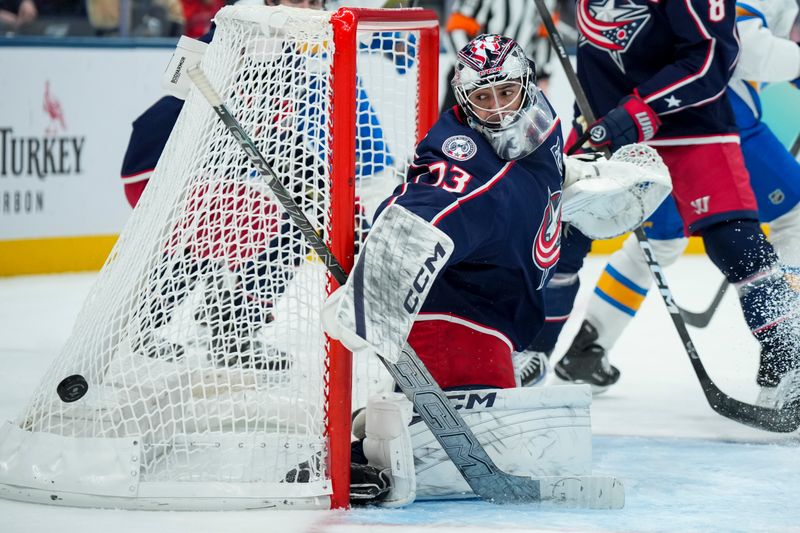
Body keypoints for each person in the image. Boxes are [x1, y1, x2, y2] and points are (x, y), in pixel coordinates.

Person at [322, 34, 670, 505]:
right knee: (478, 454)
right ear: (465, 101)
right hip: (456, 319)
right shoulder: (463, 157)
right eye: (482, 99)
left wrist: (581, 179)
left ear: (526, 84)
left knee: (479, 442)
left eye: (506, 92)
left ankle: (371, 435)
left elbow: (536, 175)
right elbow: (417, 213)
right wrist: (377, 290)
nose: (499, 109)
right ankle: (355, 459)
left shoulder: (539, 119)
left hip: (494, 311)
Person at [518, 0, 800, 410]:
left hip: (694, 124)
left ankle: (788, 358)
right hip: (609, 123)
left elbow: (711, 57)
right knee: (559, 239)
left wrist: (637, 111)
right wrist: (602, 117)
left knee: (734, 241)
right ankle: (529, 354)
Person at [120, 0, 412, 371]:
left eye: (312, 2)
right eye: (295, 0)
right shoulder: (252, 36)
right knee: (265, 224)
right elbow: (195, 85)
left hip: (198, 174)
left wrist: (327, 192)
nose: (305, 9)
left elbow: (280, 139)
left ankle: (201, 314)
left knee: (268, 223)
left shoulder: (290, 54)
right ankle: (221, 325)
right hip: (158, 166)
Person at [441, 0, 559, 111]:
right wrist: (474, 69)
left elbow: (545, 34)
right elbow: (456, 28)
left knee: (520, 131)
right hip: (472, 82)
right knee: (455, 131)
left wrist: (542, 76)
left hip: (517, 81)